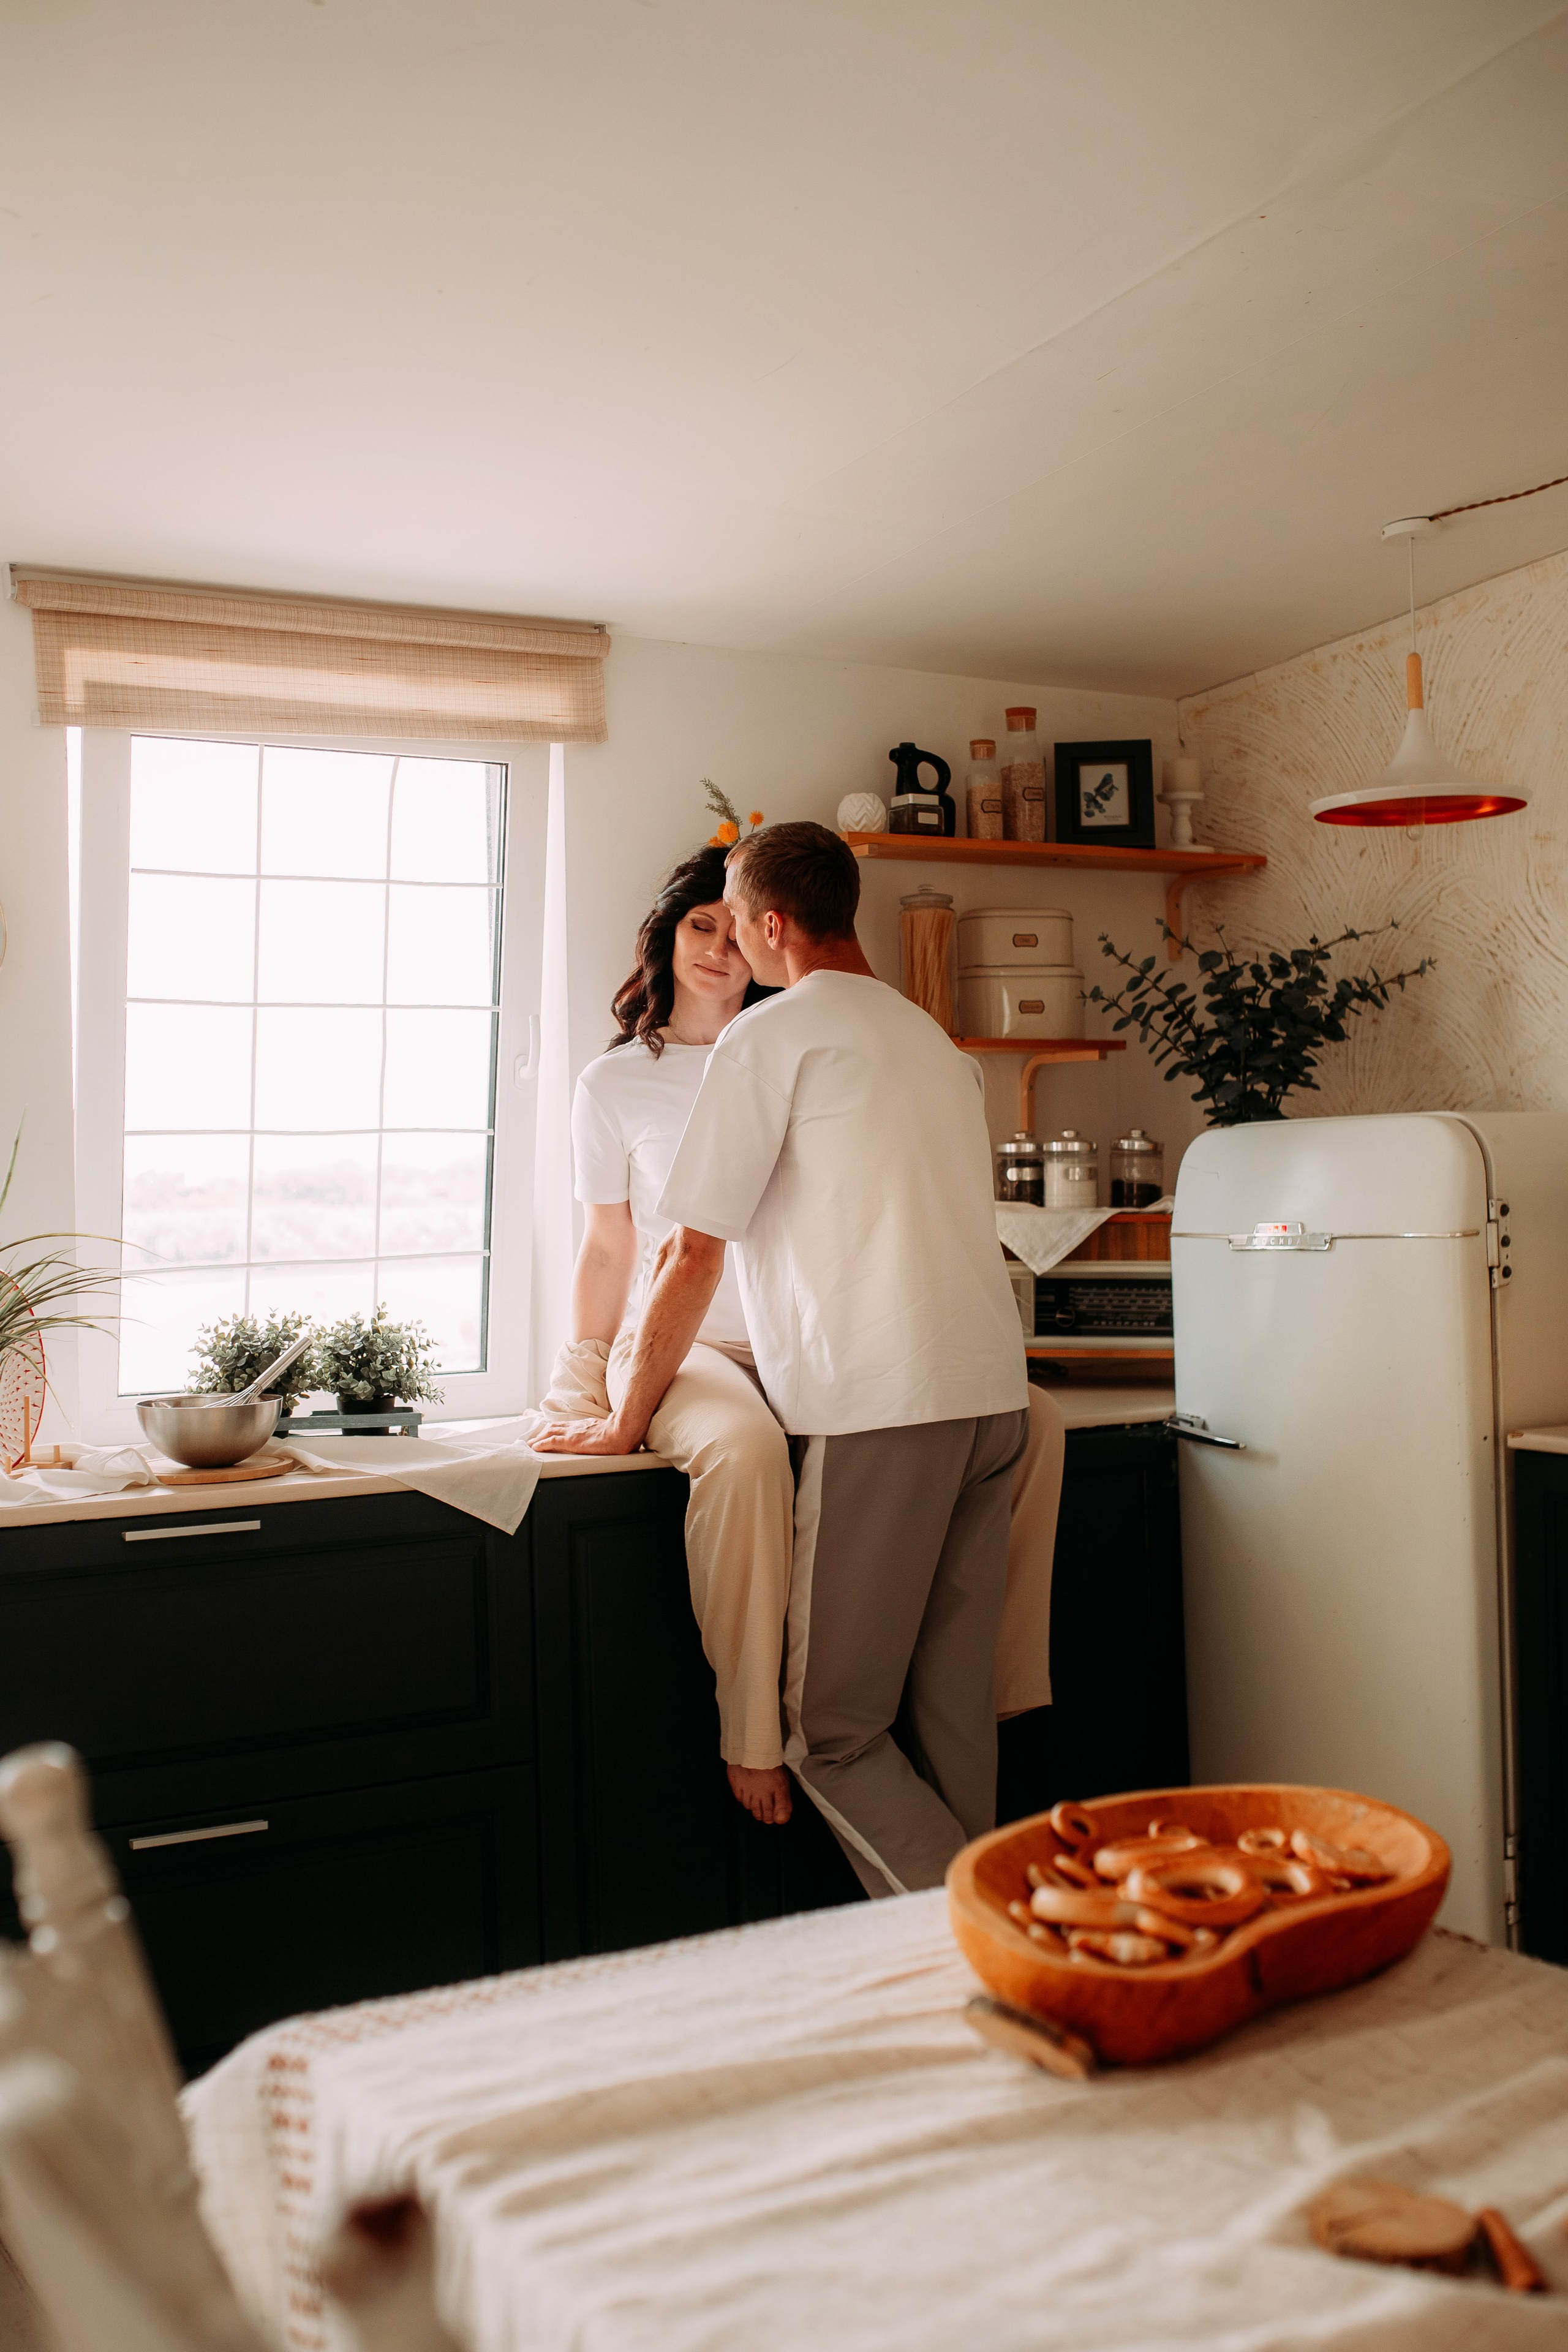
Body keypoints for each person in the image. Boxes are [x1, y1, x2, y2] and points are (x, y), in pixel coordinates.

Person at [537, 824, 1038, 1896]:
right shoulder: (932, 1043)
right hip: (996, 1403)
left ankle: (996, 1949)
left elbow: (691, 1250)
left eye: (735, 916)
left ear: (772, 925)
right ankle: (1003, 1971)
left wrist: (626, 1419)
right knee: (951, 1711)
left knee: (834, 1736)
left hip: (888, 1405)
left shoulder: (766, 1043)